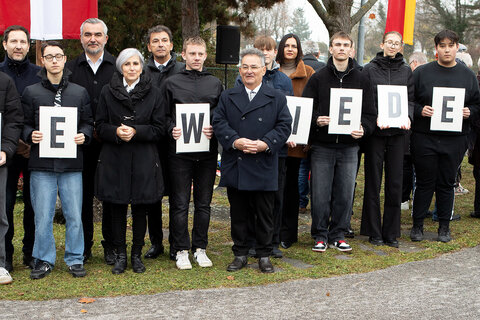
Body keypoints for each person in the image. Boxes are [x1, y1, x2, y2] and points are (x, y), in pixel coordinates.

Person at [212, 48, 292, 273]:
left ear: (263, 70)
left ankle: (264, 254)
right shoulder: (228, 96)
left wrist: (266, 143)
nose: (249, 71)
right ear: (239, 70)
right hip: (236, 161)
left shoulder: (276, 97)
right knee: (238, 213)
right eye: (245, 67)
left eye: (254, 67)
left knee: (265, 213)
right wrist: (235, 141)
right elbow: (218, 122)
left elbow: (285, 125)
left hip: (264, 162)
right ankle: (240, 253)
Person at [22, 41, 93, 279]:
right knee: (42, 215)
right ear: (42, 60)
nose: (54, 60)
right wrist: (29, 134)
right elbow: (23, 123)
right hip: (42, 164)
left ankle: (75, 258)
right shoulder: (31, 92)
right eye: (49, 56)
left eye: (58, 56)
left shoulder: (79, 92)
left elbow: (88, 122)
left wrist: (85, 134)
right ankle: (43, 259)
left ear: (64, 59)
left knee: (74, 213)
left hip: (71, 163)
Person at [303, 31, 376, 253]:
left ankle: (338, 233)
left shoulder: (363, 79)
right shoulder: (318, 78)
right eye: (337, 44)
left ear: (352, 49)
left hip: (349, 147)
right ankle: (320, 234)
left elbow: (370, 114)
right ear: (331, 48)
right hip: (322, 146)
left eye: (346, 45)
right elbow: (307, 109)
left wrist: (363, 129)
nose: (342, 48)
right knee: (320, 193)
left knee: (345, 192)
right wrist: (317, 120)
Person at [95, 48, 165, 274]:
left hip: (144, 159)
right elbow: (100, 125)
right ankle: (120, 255)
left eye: (136, 64)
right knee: (116, 208)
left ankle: (136, 254)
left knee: (140, 209)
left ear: (142, 67)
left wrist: (137, 131)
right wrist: (116, 131)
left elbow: (159, 128)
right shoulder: (107, 91)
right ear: (120, 68)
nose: (132, 68)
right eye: (127, 64)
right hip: (115, 158)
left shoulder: (154, 92)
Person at [410, 30, 480, 243]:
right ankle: (417, 225)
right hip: (425, 137)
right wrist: (420, 110)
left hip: (455, 139)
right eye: (442, 45)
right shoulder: (422, 73)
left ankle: (444, 226)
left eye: (451, 45)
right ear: (436, 49)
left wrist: (470, 112)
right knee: (424, 182)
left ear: (457, 47)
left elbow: (477, 103)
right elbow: (408, 100)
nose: (447, 49)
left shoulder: (467, 75)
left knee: (447, 182)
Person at [163, 36, 223, 270]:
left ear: (205, 55)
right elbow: (163, 115)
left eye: (200, 54)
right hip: (179, 153)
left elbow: (220, 114)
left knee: (204, 203)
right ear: (184, 55)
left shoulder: (215, 83)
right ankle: (180, 249)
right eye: (192, 53)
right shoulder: (171, 83)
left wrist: (214, 127)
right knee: (179, 203)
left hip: (206, 153)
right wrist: (171, 129)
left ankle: (200, 248)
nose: (196, 58)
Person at [235, 35, 293, 259]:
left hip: (273, 149)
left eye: (268, 50)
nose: (265, 53)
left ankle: (271, 242)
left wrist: (269, 142)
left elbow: (287, 117)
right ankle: (249, 242)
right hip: (246, 149)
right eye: (261, 49)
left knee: (273, 199)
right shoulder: (241, 82)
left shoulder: (282, 82)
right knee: (248, 200)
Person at [66, 18, 116, 265]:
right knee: (81, 196)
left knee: (110, 196)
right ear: (81, 38)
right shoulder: (71, 68)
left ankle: (111, 246)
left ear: (106, 38)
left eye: (98, 34)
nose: (93, 39)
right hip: (79, 143)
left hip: (111, 143)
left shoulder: (118, 66)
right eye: (88, 35)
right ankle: (84, 247)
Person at [360, 31, 414, 248]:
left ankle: (391, 232)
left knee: (395, 183)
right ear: (382, 44)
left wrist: (408, 117)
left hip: (398, 134)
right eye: (389, 42)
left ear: (401, 46)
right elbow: (366, 99)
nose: (392, 46)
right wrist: (374, 119)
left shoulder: (406, 70)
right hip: (376, 134)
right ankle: (373, 231)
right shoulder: (369, 69)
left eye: (397, 43)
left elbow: (410, 99)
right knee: (373, 181)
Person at [0, 25, 40, 272]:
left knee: (33, 203)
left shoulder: (39, 73)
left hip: (33, 147)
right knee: (3, 204)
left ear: (28, 44)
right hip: (4, 150)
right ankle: (5, 256)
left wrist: (29, 138)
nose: (18, 46)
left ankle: (30, 252)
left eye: (23, 41)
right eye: (13, 41)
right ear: (4, 44)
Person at [144, 25, 185, 261]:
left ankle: (176, 242)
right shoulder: (143, 71)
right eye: (155, 41)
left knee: (177, 195)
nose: (160, 44)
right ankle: (156, 242)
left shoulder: (182, 69)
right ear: (149, 47)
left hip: (178, 141)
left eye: (164, 40)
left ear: (171, 45)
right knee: (153, 195)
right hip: (151, 142)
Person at [276, 33, 315, 250]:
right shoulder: (272, 71)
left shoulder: (308, 73)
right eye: (286, 45)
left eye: (294, 46)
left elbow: (310, 105)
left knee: (292, 188)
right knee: (275, 188)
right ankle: (273, 230)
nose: (290, 49)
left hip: (296, 142)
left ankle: (288, 234)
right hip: (275, 141)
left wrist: (305, 137)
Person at [0, 68, 23, 285]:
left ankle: (0, 263)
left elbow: (13, 119)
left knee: (0, 214)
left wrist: (5, 149)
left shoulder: (4, 81)